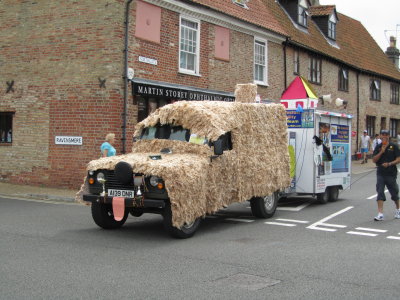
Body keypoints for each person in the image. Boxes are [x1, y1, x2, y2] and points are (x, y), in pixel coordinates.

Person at [372, 130, 400, 221]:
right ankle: (380, 214)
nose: (384, 136)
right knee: (380, 192)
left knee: (394, 193)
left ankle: (398, 209)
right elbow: (374, 160)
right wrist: (381, 152)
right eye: (383, 134)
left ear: (389, 136)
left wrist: (389, 164)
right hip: (380, 173)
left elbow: (398, 159)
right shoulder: (378, 146)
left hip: (391, 173)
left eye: (386, 135)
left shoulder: (394, 146)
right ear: (380, 136)